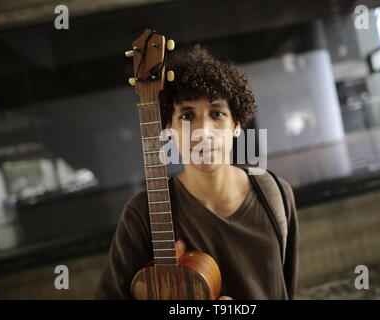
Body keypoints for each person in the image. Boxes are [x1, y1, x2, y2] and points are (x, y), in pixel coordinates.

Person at [95, 45, 299, 300]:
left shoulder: (276, 194)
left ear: (236, 124)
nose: (203, 131)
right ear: (169, 127)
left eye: (217, 114)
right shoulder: (143, 214)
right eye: (188, 115)